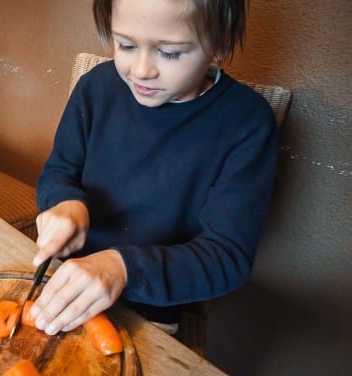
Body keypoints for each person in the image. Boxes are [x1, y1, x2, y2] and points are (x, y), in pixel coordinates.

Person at [29, 0, 278, 336]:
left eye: (171, 53)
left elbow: (227, 256)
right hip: (65, 280)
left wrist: (122, 269)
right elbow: (59, 170)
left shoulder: (247, 122)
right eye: (126, 45)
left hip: (152, 312)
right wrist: (64, 203)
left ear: (219, 43)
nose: (142, 70)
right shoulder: (95, 88)